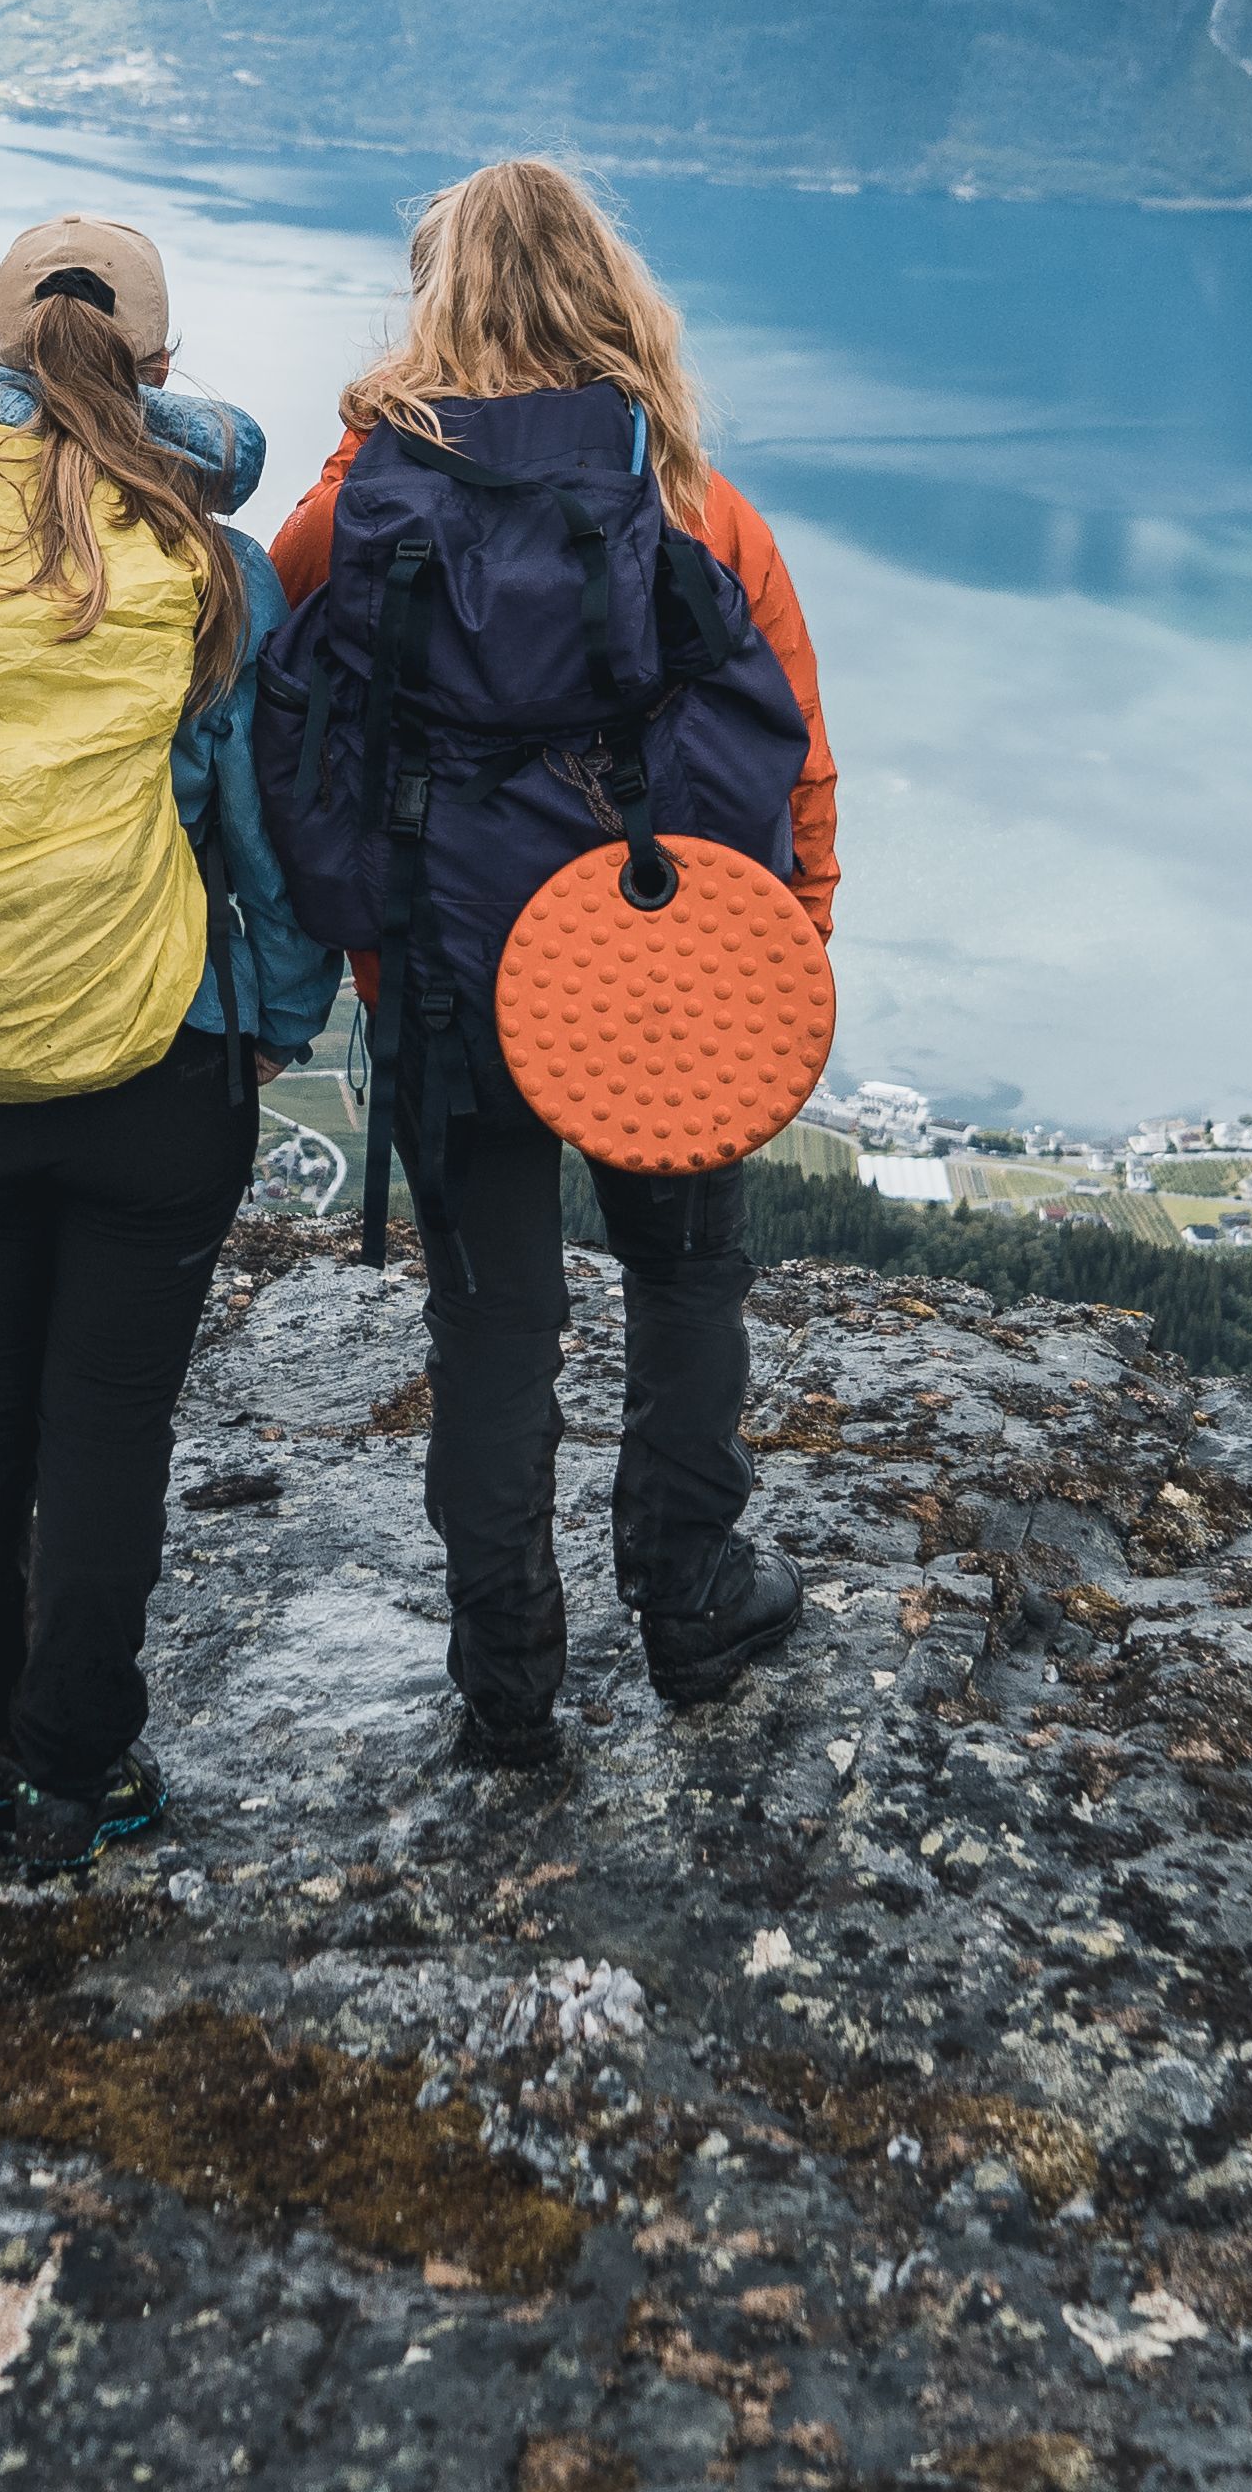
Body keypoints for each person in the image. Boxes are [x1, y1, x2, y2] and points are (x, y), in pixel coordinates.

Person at [269, 160, 840, 1768]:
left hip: (445, 990)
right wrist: (780, 964)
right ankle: (691, 1594)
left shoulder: (352, 512)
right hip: (660, 981)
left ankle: (509, 1682)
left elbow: (296, 701)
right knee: (683, 1280)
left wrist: (373, 449)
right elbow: (792, 759)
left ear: (432, 309)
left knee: (494, 1325)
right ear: (617, 297)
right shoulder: (693, 508)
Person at [0, 216, 335, 1878]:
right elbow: (264, 833)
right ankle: (72, 1774)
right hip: (153, 1062)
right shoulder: (201, 551)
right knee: (107, 1430)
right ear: (161, 364)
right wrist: (274, 1027)